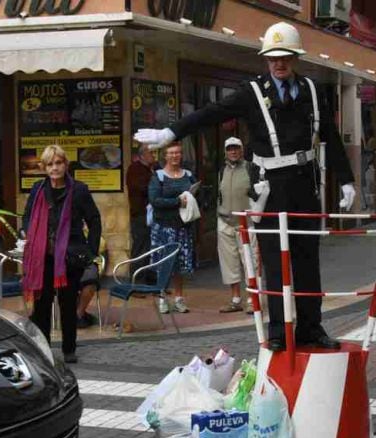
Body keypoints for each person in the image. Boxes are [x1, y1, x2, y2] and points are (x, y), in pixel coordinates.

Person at [135, 21, 356, 351]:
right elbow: (211, 113)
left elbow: (331, 137)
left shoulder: (311, 90)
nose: (279, 63)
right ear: (266, 59)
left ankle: (311, 328)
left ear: (295, 58)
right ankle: (278, 331)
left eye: (285, 57)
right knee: (274, 263)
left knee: (307, 261)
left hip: (305, 186)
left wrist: (347, 179)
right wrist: (172, 132)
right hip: (271, 189)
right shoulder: (252, 92)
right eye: (273, 58)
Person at [21, 145, 101, 364]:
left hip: (69, 257)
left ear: (65, 164)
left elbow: (94, 220)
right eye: (49, 164)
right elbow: (27, 216)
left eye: (58, 163)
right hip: (42, 258)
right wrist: (28, 233)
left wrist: (90, 251)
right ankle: (44, 349)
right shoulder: (38, 189)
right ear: (44, 168)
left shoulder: (79, 190)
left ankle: (69, 349)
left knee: (67, 305)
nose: (54, 168)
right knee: (42, 307)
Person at [148, 141, 198, 314]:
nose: (175, 156)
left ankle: (179, 299)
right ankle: (162, 298)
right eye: (171, 153)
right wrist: (177, 202)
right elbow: (155, 200)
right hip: (163, 227)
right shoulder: (158, 177)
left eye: (177, 152)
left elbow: (196, 195)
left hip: (183, 227)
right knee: (164, 264)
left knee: (180, 266)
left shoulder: (188, 175)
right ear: (165, 156)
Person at [217, 136, 259, 314]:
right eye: (229, 149)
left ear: (241, 150)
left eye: (236, 148)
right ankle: (235, 300)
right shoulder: (221, 170)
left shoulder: (251, 168)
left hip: (247, 223)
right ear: (225, 152)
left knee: (251, 262)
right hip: (224, 221)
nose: (233, 151)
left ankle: (252, 299)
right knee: (229, 263)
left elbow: (260, 193)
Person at [126, 144, 157, 285]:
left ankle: (150, 279)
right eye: (151, 153)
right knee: (140, 247)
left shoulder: (153, 169)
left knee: (151, 247)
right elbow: (141, 188)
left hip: (152, 214)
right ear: (142, 155)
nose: (153, 156)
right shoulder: (135, 169)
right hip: (140, 214)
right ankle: (137, 281)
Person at [76, 231, 107, 329]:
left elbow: (99, 242)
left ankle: (79, 314)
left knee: (91, 279)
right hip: (60, 260)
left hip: (84, 258)